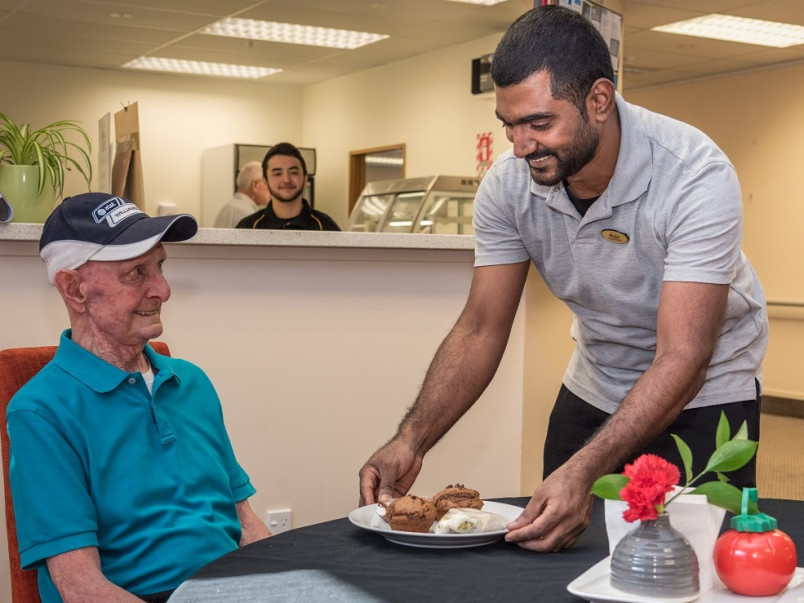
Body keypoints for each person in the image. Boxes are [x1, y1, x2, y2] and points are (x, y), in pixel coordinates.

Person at [359, 5, 768, 554]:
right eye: (509, 124)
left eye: (539, 123)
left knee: (691, 562)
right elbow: (481, 327)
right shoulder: (509, 186)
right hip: (598, 377)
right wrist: (411, 439)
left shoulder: (695, 174)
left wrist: (586, 468)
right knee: (555, 546)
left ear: (599, 100)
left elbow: (683, 355)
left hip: (706, 386)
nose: (520, 145)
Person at [8, 192, 271, 602]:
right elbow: (81, 587)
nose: (163, 290)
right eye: (137, 273)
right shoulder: (41, 412)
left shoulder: (192, 381)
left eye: (161, 266)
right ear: (74, 289)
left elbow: (245, 521)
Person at [236, 142, 340, 231]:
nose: (286, 179)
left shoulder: (325, 227)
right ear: (265, 181)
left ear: (305, 178)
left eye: (294, 172)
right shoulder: (249, 228)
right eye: (277, 174)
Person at [213, 160, 270, 227]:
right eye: (266, 183)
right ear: (255, 185)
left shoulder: (228, 207)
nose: (270, 189)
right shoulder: (247, 214)